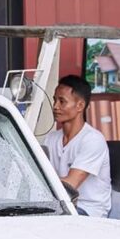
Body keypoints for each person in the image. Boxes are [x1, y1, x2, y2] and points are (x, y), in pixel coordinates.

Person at [42, 75, 111, 218]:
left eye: (62, 101)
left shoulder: (93, 139)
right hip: (61, 206)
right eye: (55, 100)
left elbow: (70, 185)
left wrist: (37, 180)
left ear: (80, 106)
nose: (55, 106)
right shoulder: (51, 138)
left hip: (88, 210)